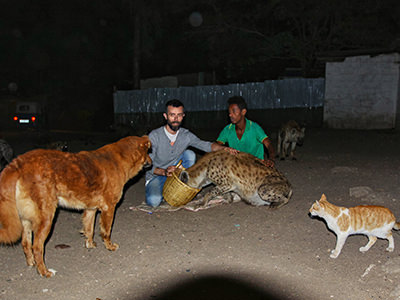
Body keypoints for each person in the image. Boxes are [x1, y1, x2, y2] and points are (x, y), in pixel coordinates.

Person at [145, 99, 236, 207]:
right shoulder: (154, 136)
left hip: (176, 172)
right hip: (157, 174)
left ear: (183, 116)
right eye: (172, 115)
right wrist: (164, 172)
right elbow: (145, 164)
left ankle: (184, 184)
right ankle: (164, 189)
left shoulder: (186, 135)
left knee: (190, 154)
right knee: (153, 201)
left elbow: (206, 145)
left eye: (179, 115)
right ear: (165, 116)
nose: (175, 119)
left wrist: (224, 149)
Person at [216, 96, 275, 167]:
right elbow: (216, 146)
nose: (230, 115)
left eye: (234, 111)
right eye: (229, 112)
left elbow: (268, 144)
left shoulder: (254, 128)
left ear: (243, 112)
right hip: (238, 166)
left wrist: (271, 159)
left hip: (256, 165)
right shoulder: (227, 130)